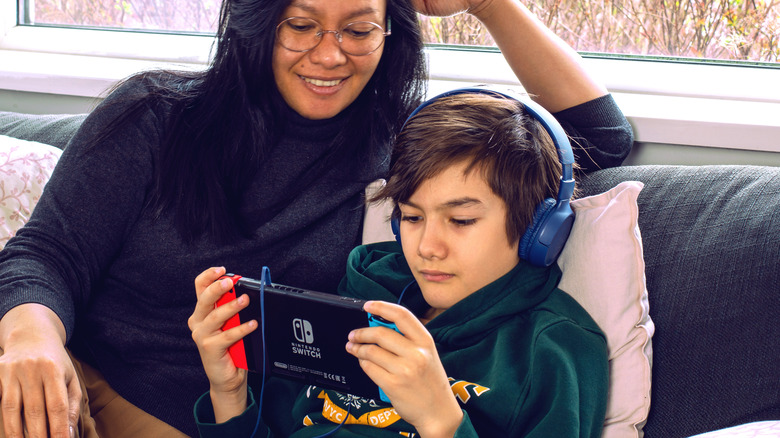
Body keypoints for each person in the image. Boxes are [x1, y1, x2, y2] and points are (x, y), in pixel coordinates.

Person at [0, 0, 631, 435]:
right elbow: (47, 252)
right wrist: (32, 337)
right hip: (63, 376)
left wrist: (490, 5)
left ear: (390, 33)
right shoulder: (153, 114)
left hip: (192, 413)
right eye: (301, 26)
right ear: (259, 22)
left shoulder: (395, 148)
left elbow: (598, 135)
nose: (329, 56)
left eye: (358, 29)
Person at [190, 89, 609, 437]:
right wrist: (229, 392)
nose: (427, 246)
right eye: (411, 217)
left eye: (461, 220)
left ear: (539, 228)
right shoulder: (359, 296)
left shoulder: (553, 351)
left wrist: (442, 422)